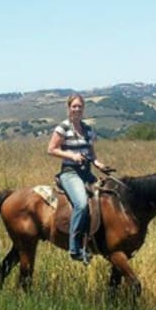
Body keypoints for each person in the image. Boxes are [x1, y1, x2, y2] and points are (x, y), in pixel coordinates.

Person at [47, 93, 112, 265]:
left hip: (86, 171)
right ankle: (75, 248)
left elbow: (91, 154)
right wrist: (71, 155)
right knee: (81, 204)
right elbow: (51, 149)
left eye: (80, 106)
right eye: (74, 106)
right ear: (68, 108)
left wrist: (100, 164)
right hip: (70, 172)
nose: (77, 109)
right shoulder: (63, 128)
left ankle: (95, 242)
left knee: (107, 199)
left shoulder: (88, 129)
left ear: (83, 108)